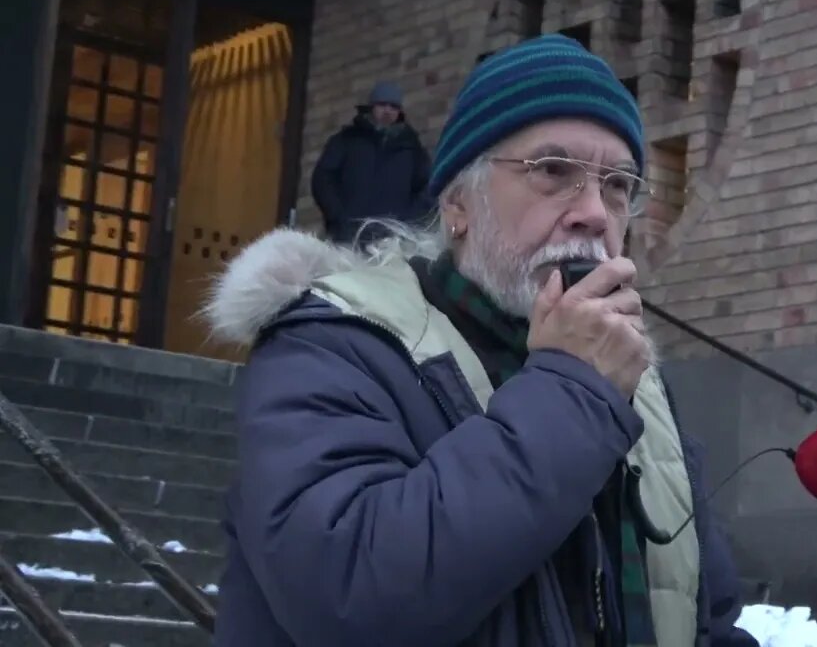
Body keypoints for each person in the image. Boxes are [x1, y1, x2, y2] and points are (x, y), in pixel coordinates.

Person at [203, 34, 758, 646]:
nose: (595, 213)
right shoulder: (333, 346)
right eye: (552, 171)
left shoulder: (635, 384)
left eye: (619, 185)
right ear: (457, 204)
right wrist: (573, 394)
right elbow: (349, 595)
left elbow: (703, 619)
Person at [310, 80, 434, 246]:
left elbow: (428, 189)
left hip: (392, 245)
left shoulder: (412, 150)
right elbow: (322, 178)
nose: (387, 111)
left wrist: (407, 224)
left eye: (393, 106)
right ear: (372, 107)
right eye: (382, 104)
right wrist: (338, 218)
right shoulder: (347, 141)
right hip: (348, 240)